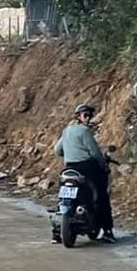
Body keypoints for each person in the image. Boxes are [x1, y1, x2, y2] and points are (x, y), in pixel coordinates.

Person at [53, 102, 115, 241]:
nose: (88, 118)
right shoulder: (85, 131)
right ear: (78, 117)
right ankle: (107, 231)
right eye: (85, 115)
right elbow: (95, 152)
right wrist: (103, 165)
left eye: (89, 116)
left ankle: (57, 233)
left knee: (62, 197)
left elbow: (57, 150)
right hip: (87, 168)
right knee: (101, 197)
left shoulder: (67, 131)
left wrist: (70, 153)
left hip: (69, 168)